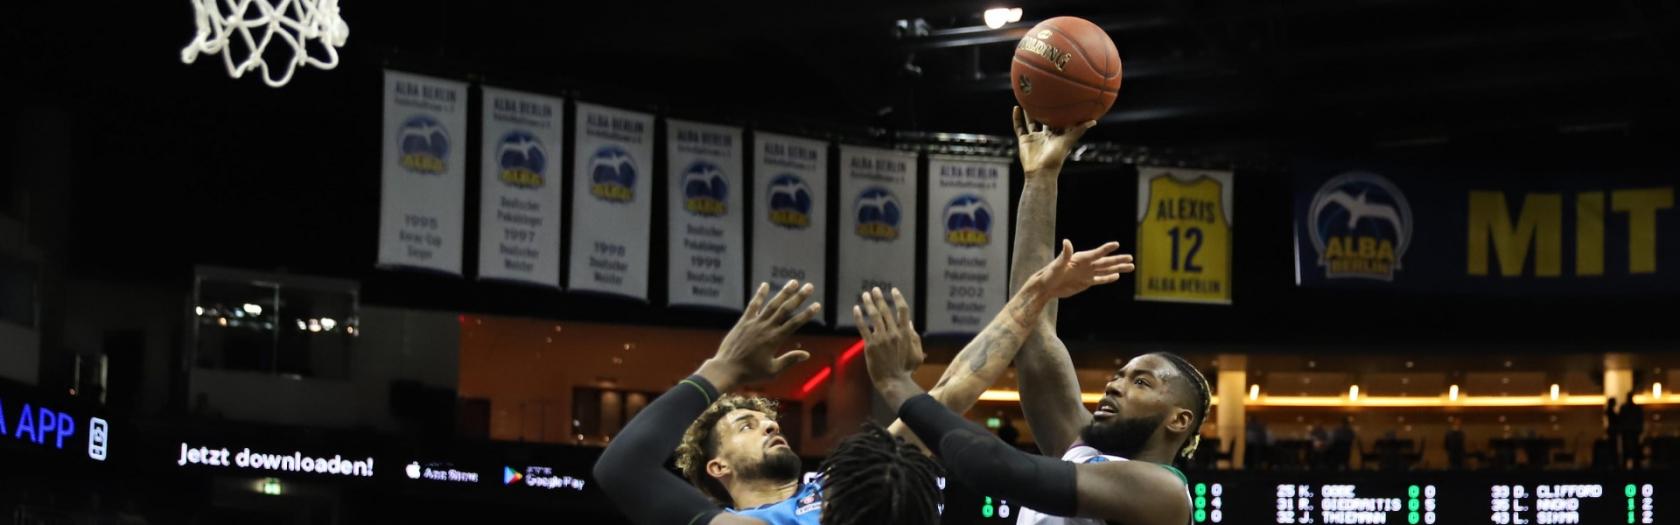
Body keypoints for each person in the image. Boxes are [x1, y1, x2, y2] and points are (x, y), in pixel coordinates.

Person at [596, 232, 1130, 525]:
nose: (765, 426)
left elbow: (949, 395)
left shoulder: (849, 477)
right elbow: (619, 468)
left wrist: (1036, 294)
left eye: (761, 419)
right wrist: (722, 368)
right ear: (717, 467)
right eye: (743, 424)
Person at [855, 286, 1204, 525]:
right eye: (1119, 375)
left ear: (1179, 420)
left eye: (1140, 382)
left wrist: (898, 385)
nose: (1114, 386)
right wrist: (1040, 183)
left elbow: (995, 467)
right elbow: (1036, 331)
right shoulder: (1085, 455)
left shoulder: (1165, 492)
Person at [1622, 390, 1644, 469]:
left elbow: (1640, 419)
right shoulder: (1625, 408)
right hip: (1628, 432)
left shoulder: (1635, 408)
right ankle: (1627, 465)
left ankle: (1636, 465)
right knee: (1627, 450)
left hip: (1633, 432)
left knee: (1634, 450)